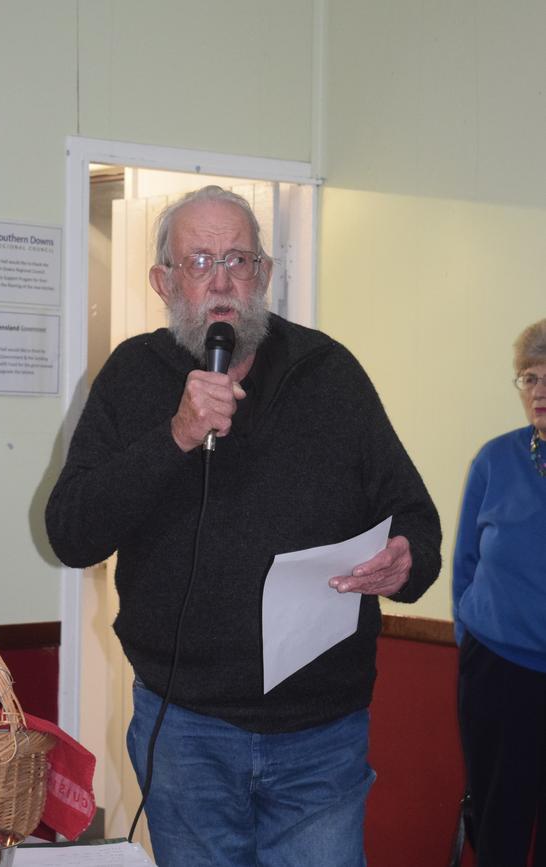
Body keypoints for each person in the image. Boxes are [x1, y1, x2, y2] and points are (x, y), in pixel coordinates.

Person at [45, 185, 441, 867]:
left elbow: (416, 517)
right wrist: (175, 434)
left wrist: (407, 559)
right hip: (188, 731)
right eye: (198, 262)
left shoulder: (330, 374)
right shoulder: (132, 377)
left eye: (237, 259)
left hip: (322, 735)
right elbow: (72, 531)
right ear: (164, 282)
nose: (221, 281)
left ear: (264, 273)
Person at [453, 318, 546, 867]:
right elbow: (465, 563)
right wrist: (473, 642)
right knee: (497, 826)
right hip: (497, 672)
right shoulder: (496, 459)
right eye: (529, 378)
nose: (539, 392)